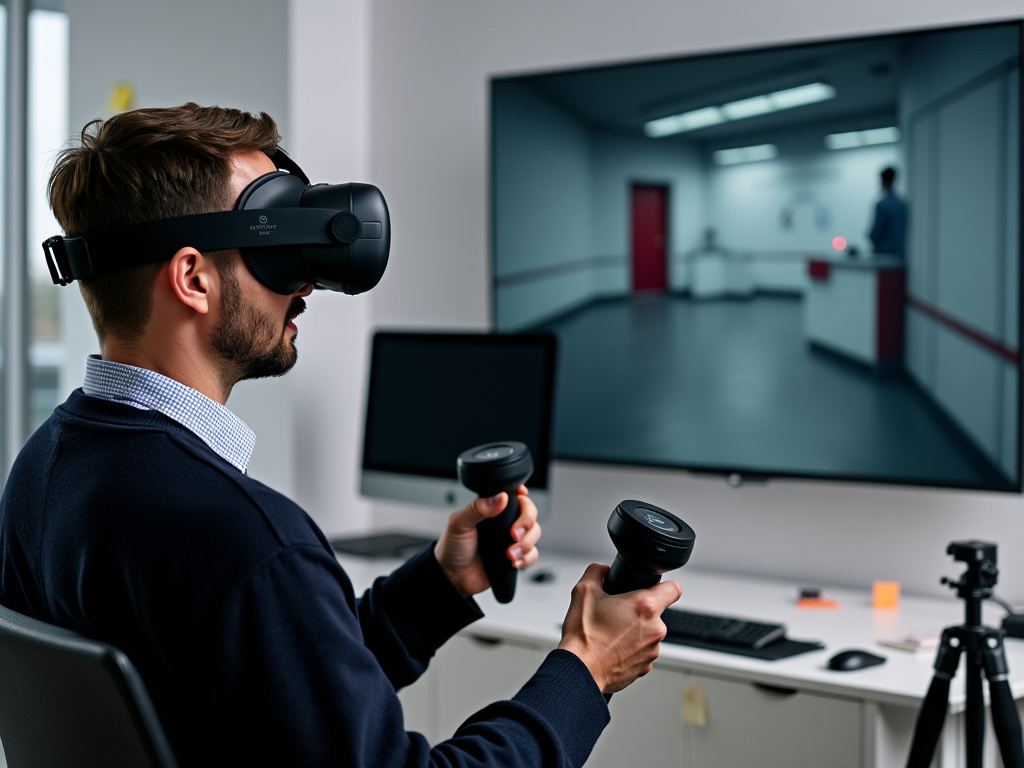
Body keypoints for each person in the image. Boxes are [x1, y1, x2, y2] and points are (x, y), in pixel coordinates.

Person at [0, 104, 682, 766]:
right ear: (193, 279)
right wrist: (585, 667)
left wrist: (439, 585)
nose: (305, 289)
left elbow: (277, 690)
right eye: (274, 249)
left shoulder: (43, 473)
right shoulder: (249, 540)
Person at [868, 166, 908, 258]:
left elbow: (876, 233)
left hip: (883, 255)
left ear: (883, 182)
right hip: (900, 255)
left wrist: (871, 237)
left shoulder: (882, 205)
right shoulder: (903, 204)